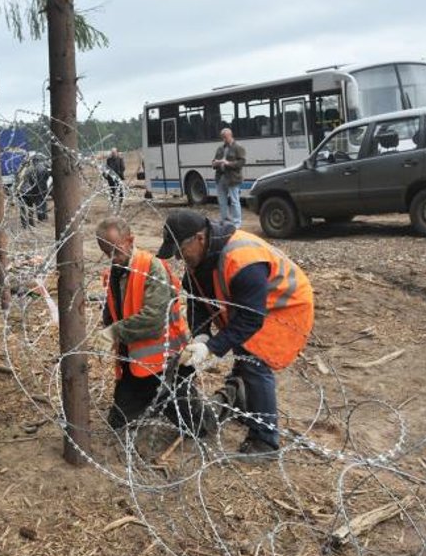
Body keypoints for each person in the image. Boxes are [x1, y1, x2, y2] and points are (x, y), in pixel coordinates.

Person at [157, 209, 314, 461]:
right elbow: (198, 301)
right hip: (255, 307)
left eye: (180, 249)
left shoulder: (242, 260)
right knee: (244, 355)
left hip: (284, 307)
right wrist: (201, 336)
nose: (179, 257)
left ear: (199, 238)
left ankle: (265, 441)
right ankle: (242, 399)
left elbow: (251, 318)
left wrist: (212, 348)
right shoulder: (200, 259)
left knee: (255, 362)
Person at [94, 217, 214, 434]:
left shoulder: (151, 267)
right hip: (137, 363)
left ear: (130, 240)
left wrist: (114, 331)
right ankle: (154, 402)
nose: (112, 258)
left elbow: (154, 321)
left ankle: (230, 398)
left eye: (116, 250)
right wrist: (107, 327)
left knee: (199, 428)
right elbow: (114, 308)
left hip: (167, 361)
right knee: (119, 421)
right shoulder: (116, 269)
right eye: (107, 253)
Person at [212, 128, 245, 226]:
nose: (224, 139)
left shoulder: (238, 147)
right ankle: (224, 220)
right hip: (220, 178)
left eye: (225, 137)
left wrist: (228, 163)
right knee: (222, 201)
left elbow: (241, 162)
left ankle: (237, 223)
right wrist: (216, 163)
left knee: (234, 201)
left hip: (232, 178)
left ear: (230, 135)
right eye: (222, 137)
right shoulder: (220, 149)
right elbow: (213, 162)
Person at [15, 154, 49, 228]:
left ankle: (25, 224)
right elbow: (33, 181)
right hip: (28, 191)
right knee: (30, 208)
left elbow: (17, 179)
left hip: (21, 191)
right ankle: (32, 223)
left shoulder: (22, 170)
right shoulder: (31, 169)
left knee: (23, 209)